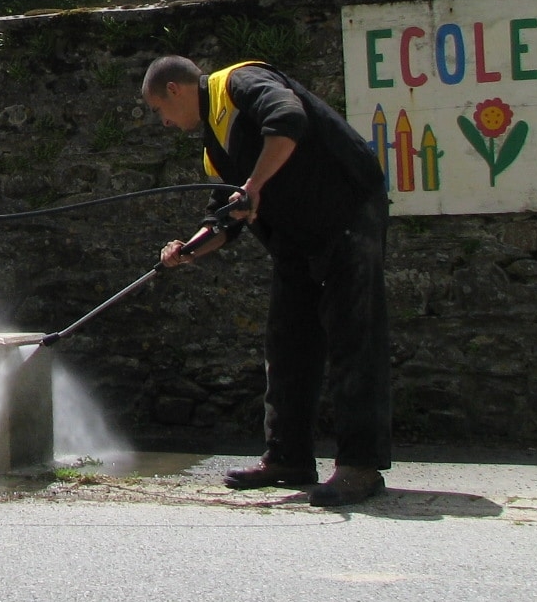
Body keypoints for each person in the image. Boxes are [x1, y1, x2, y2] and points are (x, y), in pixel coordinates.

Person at [141, 53, 391, 506]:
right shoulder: (214, 148)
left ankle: (361, 465)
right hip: (296, 236)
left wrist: (252, 186)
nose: (164, 124)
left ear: (175, 90)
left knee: (354, 335)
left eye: (159, 110)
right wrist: (187, 249)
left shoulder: (240, 83)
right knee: (287, 340)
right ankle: (288, 457)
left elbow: (288, 117)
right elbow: (226, 219)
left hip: (347, 213)